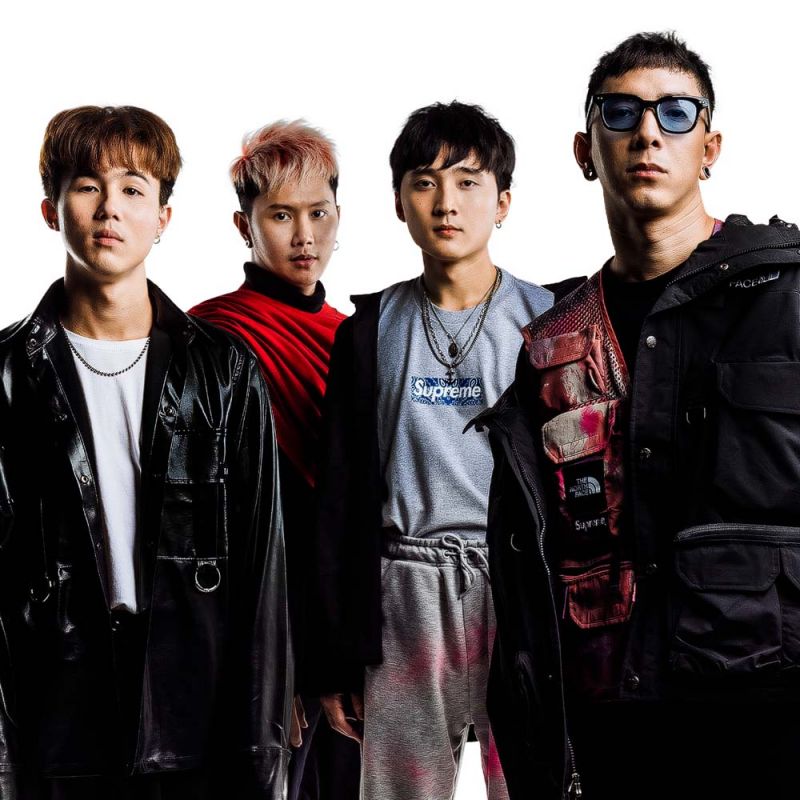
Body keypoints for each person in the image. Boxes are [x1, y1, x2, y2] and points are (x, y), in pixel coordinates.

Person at [479, 31, 800, 800]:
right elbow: (529, 566)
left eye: (676, 113)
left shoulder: (787, 298)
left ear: (710, 148)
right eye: (620, 113)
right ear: (585, 150)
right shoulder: (551, 346)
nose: (648, 132)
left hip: (770, 717)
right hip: (610, 726)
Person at [0, 105, 291, 799]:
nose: (110, 208)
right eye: (87, 185)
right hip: (54, 709)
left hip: (195, 707)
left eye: (132, 188)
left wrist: (261, 750)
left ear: (163, 217)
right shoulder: (7, 374)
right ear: (50, 210)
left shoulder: (224, 371)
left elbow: (262, 571)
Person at [306, 100, 568, 800]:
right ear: (399, 201)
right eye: (424, 182)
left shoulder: (548, 322)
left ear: (503, 201)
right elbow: (337, 500)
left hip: (518, 585)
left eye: (468, 182)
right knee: (400, 791)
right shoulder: (369, 330)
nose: (446, 202)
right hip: (406, 589)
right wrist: (333, 660)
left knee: (535, 781)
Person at [190, 120, 360, 800]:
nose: (304, 236)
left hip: (346, 636)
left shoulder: (356, 336)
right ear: (245, 225)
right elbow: (210, 525)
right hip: (263, 637)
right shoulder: (212, 335)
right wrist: (269, 671)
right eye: (281, 216)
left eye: (319, 213)